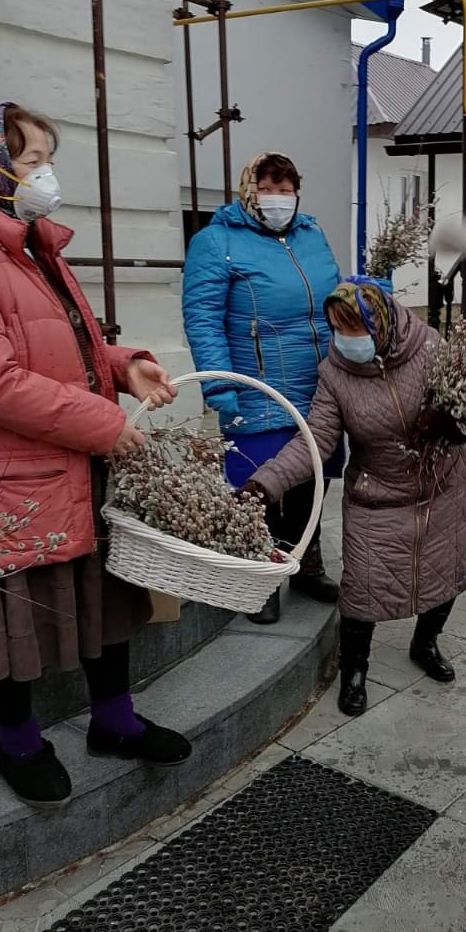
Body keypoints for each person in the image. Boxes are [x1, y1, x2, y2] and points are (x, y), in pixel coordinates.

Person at [0, 102, 192, 808]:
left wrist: (124, 362)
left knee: (103, 600)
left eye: (47, 158)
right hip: (18, 477)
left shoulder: (37, 248)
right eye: (31, 161)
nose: (46, 176)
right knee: (14, 621)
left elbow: (69, 344)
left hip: (72, 461)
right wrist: (102, 423)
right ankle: (17, 745)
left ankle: (115, 722)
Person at [247, 277, 466, 717]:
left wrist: (458, 424)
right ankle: (354, 669)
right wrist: (266, 483)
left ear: (383, 322)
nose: (347, 339)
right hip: (377, 495)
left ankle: (425, 644)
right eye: (339, 328)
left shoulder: (431, 347)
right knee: (361, 591)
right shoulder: (334, 373)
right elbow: (315, 441)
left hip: (443, 488)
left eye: (356, 327)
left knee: (446, 572)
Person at [182, 151, 343, 626]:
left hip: (320, 384)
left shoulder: (312, 235)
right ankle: (261, 575)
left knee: (314, 476)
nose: (278, 198)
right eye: (268, 187)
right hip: (257, 386)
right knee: (259, 486)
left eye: (286, 188)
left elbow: (332, 303)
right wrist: (220, 385)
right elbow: (204, 318)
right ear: (247, 190)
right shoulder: (216, 241)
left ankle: (306, 564)